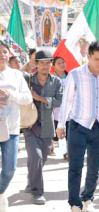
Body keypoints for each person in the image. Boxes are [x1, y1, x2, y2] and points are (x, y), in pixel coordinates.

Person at [56, 41, 99, 212]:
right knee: (75, 167)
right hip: (78, 127)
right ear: (88, 56)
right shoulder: (75, 74)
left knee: (94, 168)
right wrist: (61, 125)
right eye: (96, 59)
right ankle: (74, 203)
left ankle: (87, 198)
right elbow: (66, 101)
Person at [23, 50, 63, 205]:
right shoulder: (27, 80)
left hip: (47, 126)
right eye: (42, 63)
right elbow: (14, 74)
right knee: (36, 156)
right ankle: (37, 192)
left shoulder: (56, 82)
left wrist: (40, 99)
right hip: (29, 125)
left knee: (42, 157)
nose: (45, 66)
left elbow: (59, 101)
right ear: (36, 64)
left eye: (48, 63)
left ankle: (31, 179)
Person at [0, 40, 32, 211]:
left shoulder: (16, 75)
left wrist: (11, 95)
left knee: (9, 169)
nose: (2, 55)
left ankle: (0, 192)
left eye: (4, 51)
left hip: (11, 129)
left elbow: (27, 98)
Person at [51, 57, 69, 159]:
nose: (62, 64)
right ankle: (54, 148)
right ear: (54, 66)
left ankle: (66, 152)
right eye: (59, 63)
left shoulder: (70, 76)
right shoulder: (53, 77)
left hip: (70, 109)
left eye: (63, 62)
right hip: (57, 109)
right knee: (58, 131)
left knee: (68, 132)